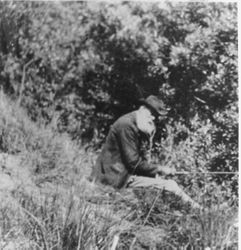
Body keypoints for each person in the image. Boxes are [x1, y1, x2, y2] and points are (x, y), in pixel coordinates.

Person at [90, 95, 201, 209]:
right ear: (142, 109)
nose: (153, 118)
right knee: (170, 185)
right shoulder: (126, 125)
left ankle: (194, 208)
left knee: (161, 183)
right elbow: (133, 163)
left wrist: (155, 175)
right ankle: (198, 210)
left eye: (156, 116)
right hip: (113, 178)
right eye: (152, 113)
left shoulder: (135, 124)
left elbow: (135, 161)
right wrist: (160, 169)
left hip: (121, 174)